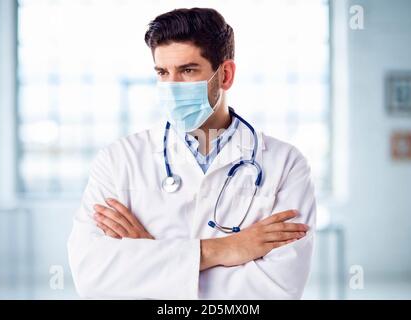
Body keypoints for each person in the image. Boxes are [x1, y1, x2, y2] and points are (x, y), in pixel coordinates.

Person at [68, 7, 316, 299]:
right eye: (162, 72)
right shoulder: (118, 160)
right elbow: (93, 277)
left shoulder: (285, 164)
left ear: (225, 75)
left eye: (187, 70)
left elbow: (277, 290)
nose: (171, 86)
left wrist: (154, 255)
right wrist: (224, 250)